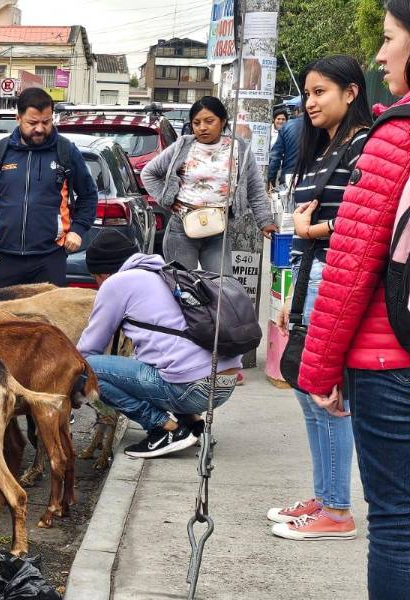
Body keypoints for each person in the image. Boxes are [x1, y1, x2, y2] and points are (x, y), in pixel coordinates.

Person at [299, 3, 410, 596]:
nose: (380, 54)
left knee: (396, 521)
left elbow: (351, 261)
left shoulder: (396, 135)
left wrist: (317, 367)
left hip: (390, 356)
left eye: (390, 39)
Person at [268, 55, 372, 542]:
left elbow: (368, 218)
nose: (309, 102)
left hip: (339, 278)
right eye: (306, 93)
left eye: (320, 92)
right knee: (308, 391)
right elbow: (301, 231)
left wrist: (314, 228)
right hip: (312, 277)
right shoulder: (322, 148)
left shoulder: (364, 146)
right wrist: (291, 291)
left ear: (351, 92)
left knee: (328, 395)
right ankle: (324, 492)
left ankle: (337, 508)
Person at [76, 230, 241, 458]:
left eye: (95, 278)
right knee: (149, 361)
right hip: (224, 383)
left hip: (193, 389)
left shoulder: (116, 283)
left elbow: (87, 350)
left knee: (84, 368)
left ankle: (164, 429)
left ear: (103, 273)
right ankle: (193, 424)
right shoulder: (165, 272)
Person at [0, 87, 99, 287]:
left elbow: (88, 195)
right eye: (32, 122)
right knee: (7, 318)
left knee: (46, 318)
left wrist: (78, 231)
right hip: (4, 256)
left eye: (46, 122)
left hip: (50, 257)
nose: (39, 128)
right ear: (18, 118)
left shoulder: (66, 152)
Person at [141, 95, 278, 274]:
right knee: (182, 285)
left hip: (218, 230)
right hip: (181, 228)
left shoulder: (239, 149)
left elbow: (254, 188)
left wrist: (265, 221)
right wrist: (166, 199)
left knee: (221, 288)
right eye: (196, 123)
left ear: (222, 121)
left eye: (209, 121)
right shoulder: (183, 146)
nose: (202, 127)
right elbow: (149, 173)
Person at [269, 106, 304, 192]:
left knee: (287, 203)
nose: (281, 121)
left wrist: (271, 181)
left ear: (296, 112)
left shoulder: (286, 127)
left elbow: (275, 157)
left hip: (288, 176)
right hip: (312, 177)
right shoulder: (320, 127)